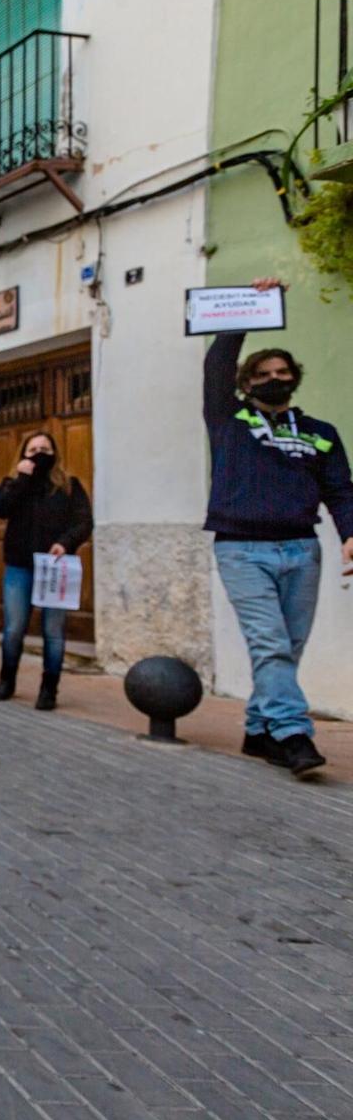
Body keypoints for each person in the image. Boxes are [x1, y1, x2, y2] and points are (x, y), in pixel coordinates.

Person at [204, 278, 353, 780]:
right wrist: (249, 308)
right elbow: (216, 366)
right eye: (263, 373)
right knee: (269, 644)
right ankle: (293, 734)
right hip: (242, 551)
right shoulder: (229, 420)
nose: (274, 377)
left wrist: (351, 532)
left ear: (295, 377)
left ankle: (257, 729)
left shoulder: (321, 434)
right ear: (248, 382)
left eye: (282, 371)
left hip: (302, 551)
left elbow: (341, 491)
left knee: (287, 648)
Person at [0, 429, 92, 710]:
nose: (39, 454)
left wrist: (65, 542)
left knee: (54, 631)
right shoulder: (12, 483)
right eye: (33, 449)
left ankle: (49, 690)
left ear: (55, 454)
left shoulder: (69, 485)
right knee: (13, 629)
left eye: (45, 449)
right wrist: (21, 478)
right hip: (19, 566)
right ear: (23, 454)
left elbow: (84, 522)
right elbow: (0, 510)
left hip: (54, 567)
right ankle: (6, 681)